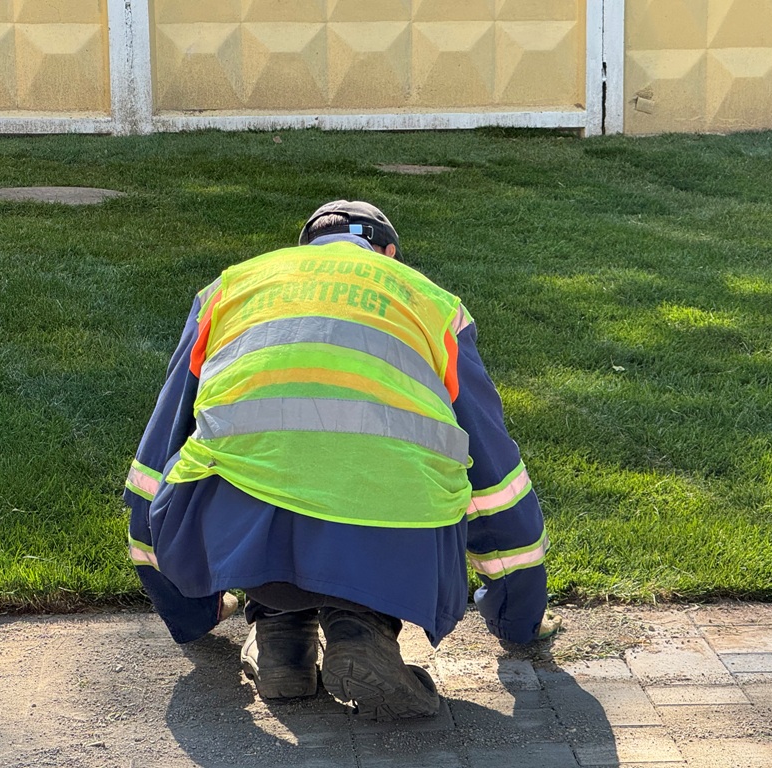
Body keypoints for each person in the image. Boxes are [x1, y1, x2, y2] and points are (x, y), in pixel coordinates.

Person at [123, 200, 559, 721]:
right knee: (395, 481)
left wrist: (192, 611)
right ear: (389, 254)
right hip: (392, 545)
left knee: (247, 472)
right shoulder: (434, 304)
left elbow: (155, 462)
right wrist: (518, 619)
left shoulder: (228, 289)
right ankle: (362, 628)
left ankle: (281, 635)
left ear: (306, 247)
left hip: (244, 543)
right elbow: (494, 476)